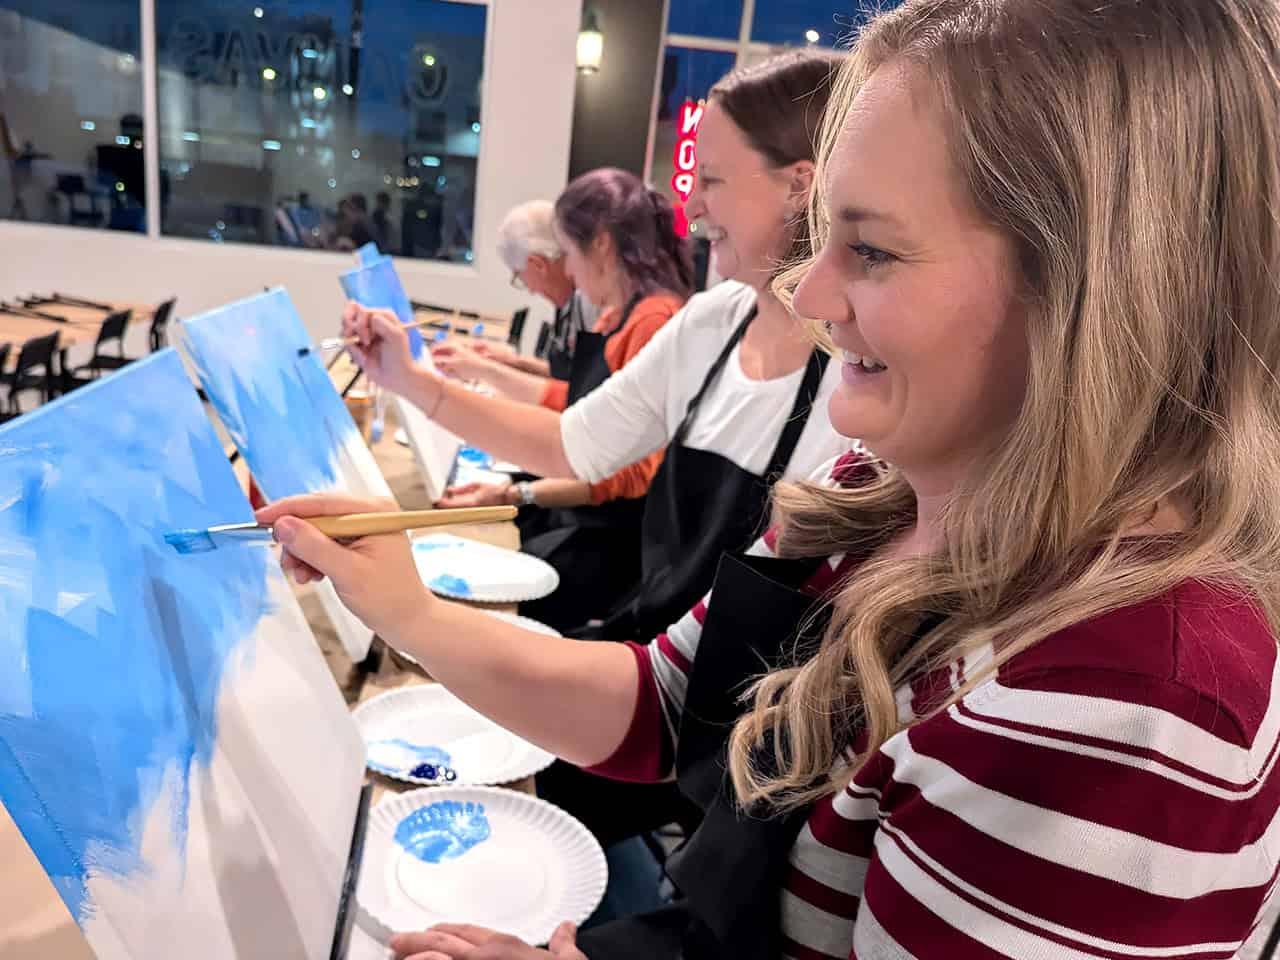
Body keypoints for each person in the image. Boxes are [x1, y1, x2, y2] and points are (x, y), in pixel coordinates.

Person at [262, 0, 1280, 956]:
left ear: (1097, 291)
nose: (811, 291)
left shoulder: (1117, 707)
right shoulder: (873, 489)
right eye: (824, 234)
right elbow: (667, 707)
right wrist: (410, 612)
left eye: (870, 250)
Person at [372, 168, 692, 633]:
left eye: (569, 254)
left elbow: (623, 470)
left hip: (617, 542)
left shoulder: (654, 321)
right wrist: (488, 373)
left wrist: (515, 492)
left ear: (602, 245)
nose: (570, 272)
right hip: (592, 514)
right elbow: (577, 405)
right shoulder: (622, 314)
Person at [434, 200, 600, 382]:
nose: (531, 291)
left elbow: (580, 390)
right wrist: (509, 361)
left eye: (520, 277)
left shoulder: (592, 306)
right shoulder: (570, 302)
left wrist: (486, 370)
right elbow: (568, 374)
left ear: (538, 265)